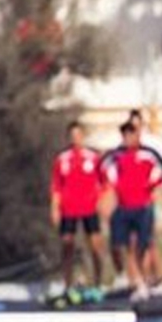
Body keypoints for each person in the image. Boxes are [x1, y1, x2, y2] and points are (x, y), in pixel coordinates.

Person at [101, 122, 162, 300]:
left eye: (131, 134)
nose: (128, 138)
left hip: (143, 205)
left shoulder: (148, 153)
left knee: (144, 244)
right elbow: (101, 168)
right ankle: (136, 280)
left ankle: (149, 279)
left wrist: (152, 185)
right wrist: (111, 186)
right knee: (124, 245)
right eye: (125, 135)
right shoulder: (116, 154)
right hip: (124, 205)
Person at [51, 122, 107, 289]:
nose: (76, 139)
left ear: (83, 136)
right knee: (67, 244)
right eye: (73, 135)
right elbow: (56, 186)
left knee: (95, 245)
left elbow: (105, 182)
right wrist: (54, 207)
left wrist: (102, 202)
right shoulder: (62, 158)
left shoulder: (93, 157)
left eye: (78, 135)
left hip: (89, 207)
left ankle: (98, 281)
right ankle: (67, 283)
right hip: (69, 208)